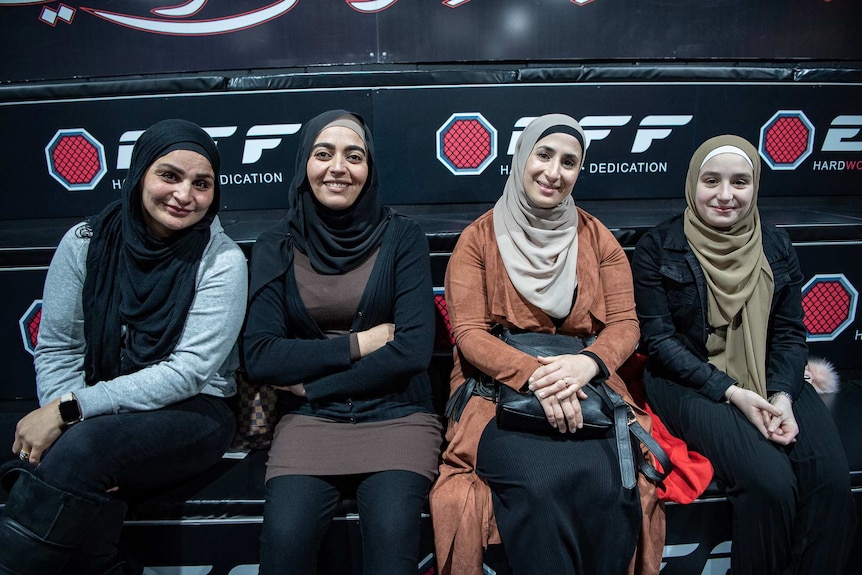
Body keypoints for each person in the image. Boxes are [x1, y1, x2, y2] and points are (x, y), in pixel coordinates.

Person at [0, 119, 248, 575]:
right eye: (169, 176)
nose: (184, 195)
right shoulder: (84, 243)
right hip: (97, 406)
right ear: (138, 176)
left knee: (82, 452)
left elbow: (188, 372)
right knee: (73, 458)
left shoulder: (222, 259)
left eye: (202, 184)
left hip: (196, 410)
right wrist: (65, 412)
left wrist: (70, 412)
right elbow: (58, 347)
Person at [430, 114, 664, 575]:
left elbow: (625, 324)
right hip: (497, 389)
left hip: (586, 385)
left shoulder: (598, 239)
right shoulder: (478, 239)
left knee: (610, 487)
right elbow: (471, 335)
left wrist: (585, 366)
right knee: (538, 488)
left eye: (569, 162)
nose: (553, 172)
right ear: (522, 158)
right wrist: (538, 378)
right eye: (544, 154)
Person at [631, 135, 856, 574]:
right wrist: (732, 392)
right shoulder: (658, 247)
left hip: (769, 376)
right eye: (711, 181)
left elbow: (790, 334)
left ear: (755, 187)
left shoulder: (775, 245)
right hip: (688, 381)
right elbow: (659, 342)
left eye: (740, 182)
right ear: (693, 182)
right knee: (769, 484)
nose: (725, 195)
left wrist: (783, 396)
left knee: (829, 482)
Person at [243, 109, 442, 575]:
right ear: (303, 164)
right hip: (311, 425)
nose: (338, 167)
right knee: (283, 554)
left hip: (398, 419)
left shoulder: (402, 237)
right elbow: (261, 355)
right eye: (323, 153)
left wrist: (313, 385)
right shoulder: (276, 244)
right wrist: (361, 343)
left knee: (392, 561)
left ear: (368, 169)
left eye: (354, 156)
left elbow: (411, 350)